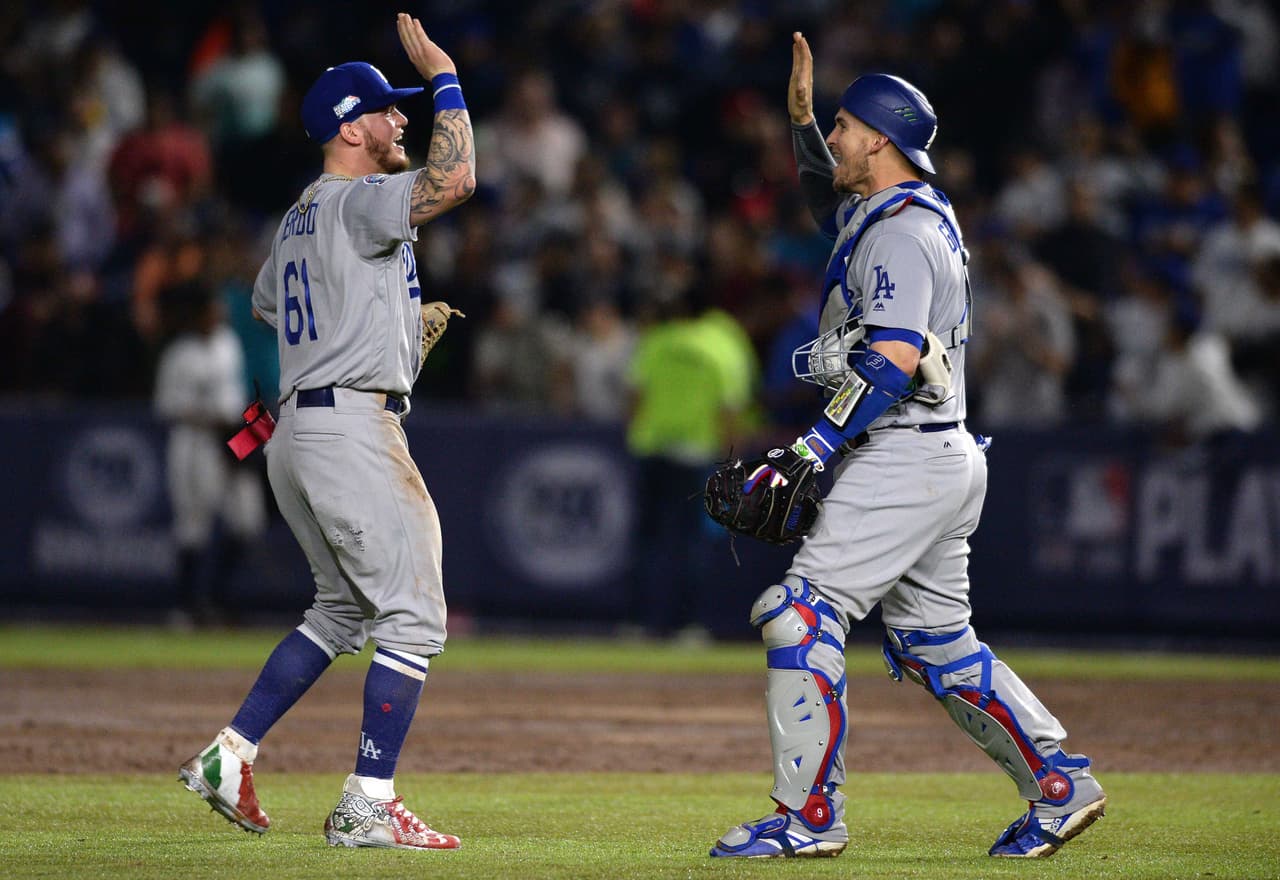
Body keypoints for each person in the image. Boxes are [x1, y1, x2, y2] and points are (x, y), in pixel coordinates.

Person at [707, 33, 1107, 860]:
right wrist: (801, 120)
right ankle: (1059, 787)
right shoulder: (894, 210)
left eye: (848, 127)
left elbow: (893, 354)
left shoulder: (899, 233)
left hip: (906, 451)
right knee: (935, 644)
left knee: (798, 615)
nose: (840, 141)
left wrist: (814, 446)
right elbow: (829, 194)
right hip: (940, 450)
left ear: (882, 141)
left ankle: (807, 819)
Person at [178, 13, 476, 851]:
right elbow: (454, 182)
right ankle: (367, 802)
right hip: (348, 426)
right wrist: (447, 74)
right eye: (388, 111)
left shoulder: (299, 216)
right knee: (414, 616)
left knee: (341, 610)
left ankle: (229, 753)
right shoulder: (359, 196)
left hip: (296, 434)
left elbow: (273, 303)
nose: (402, 121)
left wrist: (378, 331)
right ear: (351, 126)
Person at [153, 279, 266, 626]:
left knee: (248, 517)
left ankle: (217, 598)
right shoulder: (179, 353)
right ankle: (188, 607)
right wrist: (212, 420)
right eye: (211, 309)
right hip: (194, 442)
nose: (218, 314)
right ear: (197, 314)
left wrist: (254, 433)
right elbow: (165, 406)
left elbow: (238, 398)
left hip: (232, 437)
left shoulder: (228, 343)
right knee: (194, 525)